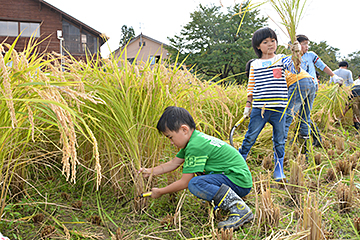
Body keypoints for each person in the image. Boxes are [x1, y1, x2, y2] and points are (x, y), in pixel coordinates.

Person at [138, 106, 254, 230]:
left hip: (238, 181)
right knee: (200, 178)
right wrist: (150, 171)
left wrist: (160, 191)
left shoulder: (195, 146)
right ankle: (229, 201)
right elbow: (173, 163)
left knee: (195, 183)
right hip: (236, 179)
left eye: (170, 137)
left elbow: (185, 182)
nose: (171, 143)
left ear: (184, 129)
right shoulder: (194, 140)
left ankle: (239, 209)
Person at [239, 27, 300, 181]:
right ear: (258, 46)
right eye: (265, 42)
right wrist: (248, 105)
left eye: (273, 41)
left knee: (280, 139)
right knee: (250, 137)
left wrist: (296, 53)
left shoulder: (282, 59)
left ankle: (278, 168)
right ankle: (239, 162)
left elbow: (296, 69)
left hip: (279, 108)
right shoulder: (255, 64)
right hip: (260, 109)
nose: (270, 44)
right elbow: (251, 85)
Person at [296, 34, 343, 147]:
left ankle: (307, 139)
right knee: (301, 115)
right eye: (303, 44)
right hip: (297, 87)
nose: (306, 46)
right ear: (296, 45)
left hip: (312, 86)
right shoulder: (293, 57)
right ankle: (312, 138)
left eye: (307, 44)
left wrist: (333, 76)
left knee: (303, 114)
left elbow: (322, 66)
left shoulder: (311, 55)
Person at [284, 68, 316, 155]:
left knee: (286, 116)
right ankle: (304, 152)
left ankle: (281, 150)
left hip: (298, 82)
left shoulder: (269, 70)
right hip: (311, 82)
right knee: (305, 117)